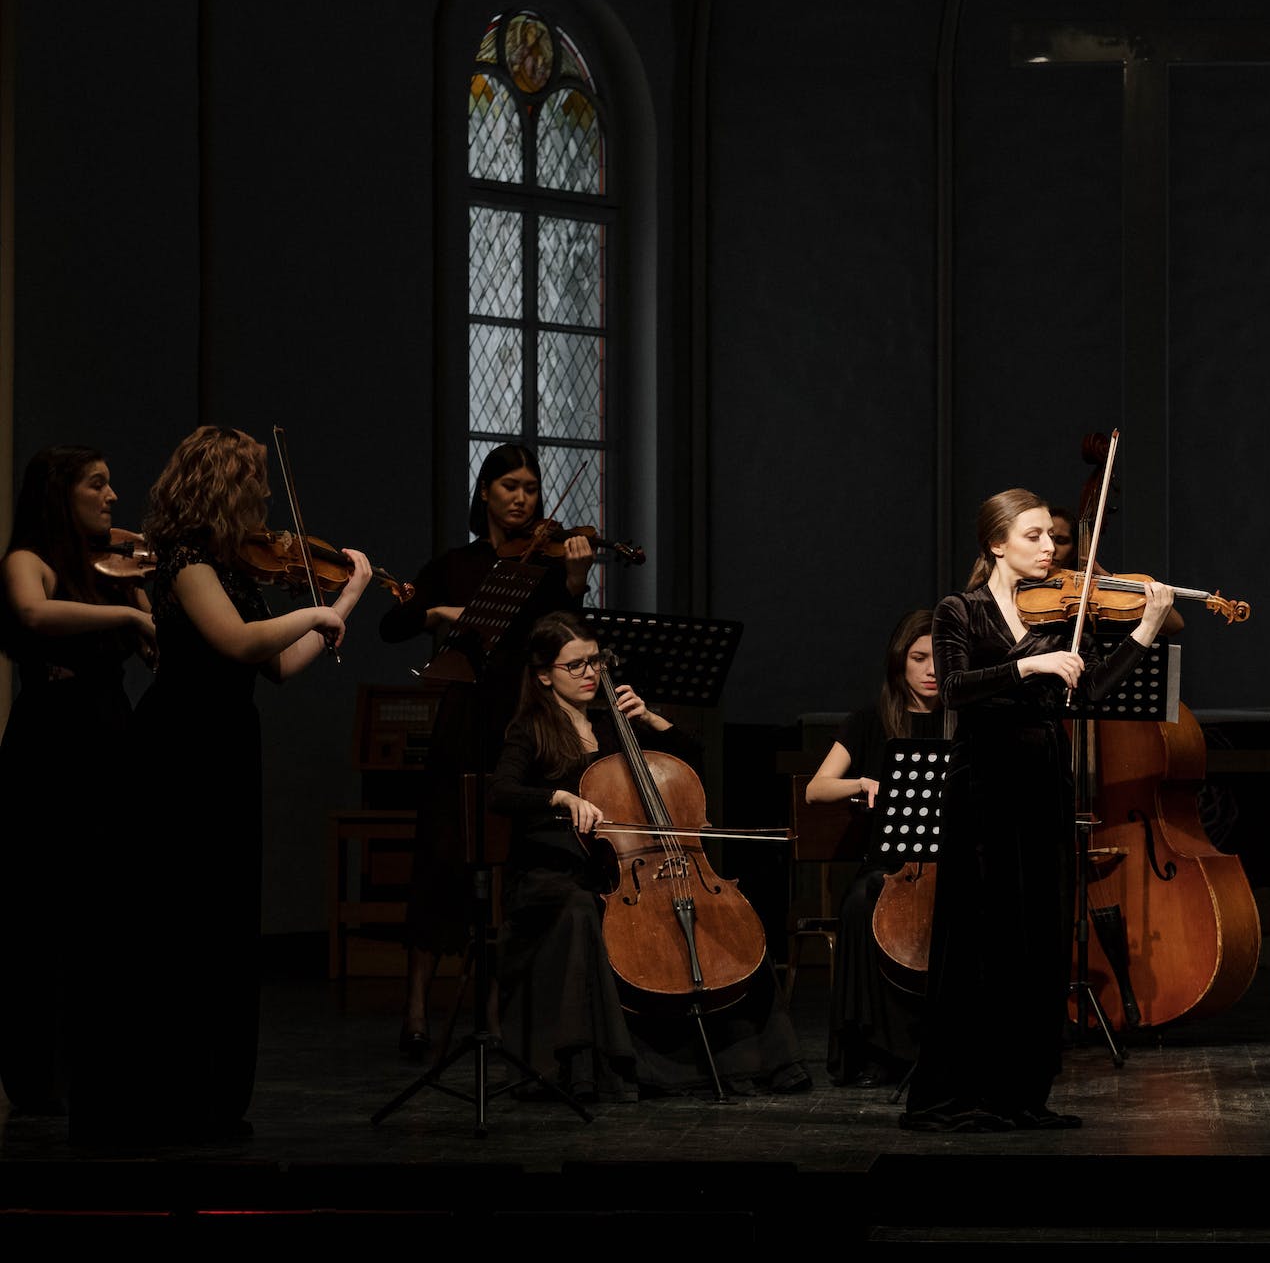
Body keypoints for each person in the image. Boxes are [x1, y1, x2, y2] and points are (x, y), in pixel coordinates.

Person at [69, 426, 371, 1143]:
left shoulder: (234, 567)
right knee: (178, 920)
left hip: (228, 746)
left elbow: (279, 663)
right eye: (255, 483)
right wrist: (313, 609)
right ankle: (163, 1097)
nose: (266, 495)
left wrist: (351, 592)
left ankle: (211, 1095)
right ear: (224, 487)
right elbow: (236, 641)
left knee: (225, 921)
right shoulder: (184, 561)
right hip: (178, 749)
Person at [901, 490, 1171, 1131]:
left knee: (1037, 936)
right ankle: (955, 1096)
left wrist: (1146, 628)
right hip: (985, 783)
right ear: (996, 544)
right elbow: (956, 691)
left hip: (1043, 777)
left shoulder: (1057, 620)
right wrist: (1031, 665)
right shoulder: (958, 610)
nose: (1050, 547)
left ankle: (1019, 1093)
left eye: (1051, 537)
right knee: (983, 934)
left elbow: (1090, 691)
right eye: (1033, 537)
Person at [489, 612, 809, 1099]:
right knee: (581, 909)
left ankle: (766, 1058)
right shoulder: (531, 728)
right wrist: (559, 797)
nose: (590, 673)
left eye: (595, 661)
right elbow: (502, 792)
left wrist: (652, 719)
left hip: (620, 869)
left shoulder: (616, 726)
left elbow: (692, 758)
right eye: (575, 665)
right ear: (543, 674)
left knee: (722, 915)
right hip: (556, 873)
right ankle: (592, 1065)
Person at [379, 443, 592, 1056]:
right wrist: (437, 616)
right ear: (485, 494)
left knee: (514, 866)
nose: (522, 497)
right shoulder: (454, 564)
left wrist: (575, 585)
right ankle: (416, 1008)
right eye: (509, 486)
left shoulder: (550, 569)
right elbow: (393, 624)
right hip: (462, 723)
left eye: (530, 486)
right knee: (440, 858)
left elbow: (565, 643)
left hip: (523, 728)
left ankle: (498, 1013)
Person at [0, 446, 154, 1115]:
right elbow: (33, 615)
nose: (113, 496)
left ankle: (101, 1067)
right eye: (98, 484)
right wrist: (125, 614)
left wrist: (138, 582)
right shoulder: (28, 560)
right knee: (42, 908)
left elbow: (155, 635)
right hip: (50, 744)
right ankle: (38, 1073)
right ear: (61, 494)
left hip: (109, 737)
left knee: (107, 908)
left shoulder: (110, 567)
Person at [804, 608, 941, 1086]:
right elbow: (816, 789)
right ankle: (878, 1050)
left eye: (941, 659)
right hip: (888, 865)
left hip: (951, 862)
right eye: (919, 657)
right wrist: (861, 781)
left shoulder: (964, 724)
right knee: (863, 904)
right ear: (898, 661)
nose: (931, 670)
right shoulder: (869, 721)